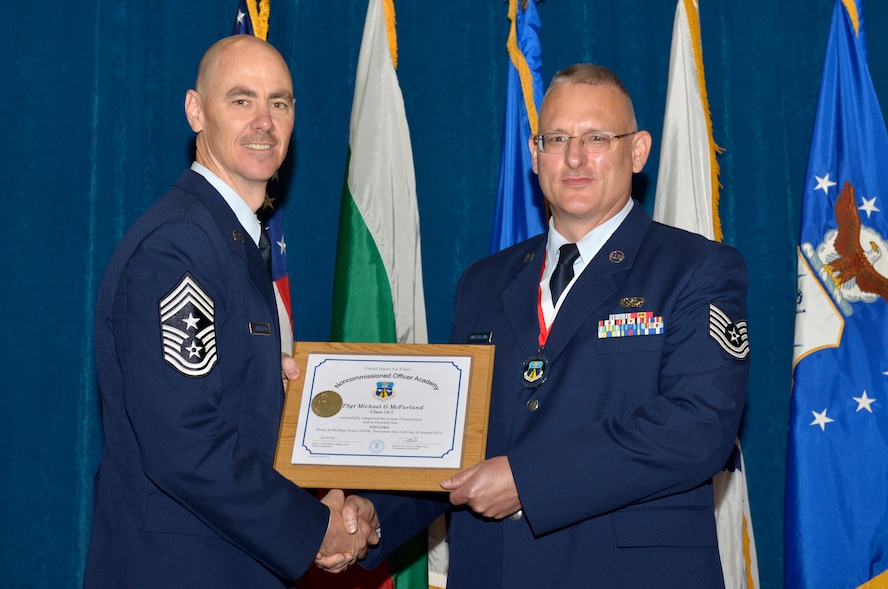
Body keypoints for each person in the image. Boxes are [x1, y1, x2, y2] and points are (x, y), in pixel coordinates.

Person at [360, 64, 750, 587]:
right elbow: (451, 439)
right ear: (533, 152)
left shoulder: (696, 269)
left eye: (596, 138)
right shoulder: (482, 282)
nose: (574, 158)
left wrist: (528, 481)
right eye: (557, 138)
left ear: (638, 152)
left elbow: (697, 428)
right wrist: (371, 517)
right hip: (491, 570)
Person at [83, 35, 378, 588]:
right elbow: (183, 440)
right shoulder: (180, 246)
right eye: (241, 100)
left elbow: (220, 408)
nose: (263, 121)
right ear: (196, 110)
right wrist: (312, 529)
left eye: (280, 103)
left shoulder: (232, 241)